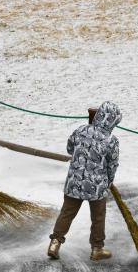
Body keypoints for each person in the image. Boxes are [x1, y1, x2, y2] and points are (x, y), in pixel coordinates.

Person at [47, 101, 121, 262]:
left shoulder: (81, 130)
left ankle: (55, 242)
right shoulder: (111, 141)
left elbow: (69, 148)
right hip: (97, 186)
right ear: (113, 121)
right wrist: (109, 180)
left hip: (75, 181)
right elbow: (112, 164)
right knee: (98, 217)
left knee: (67, 212)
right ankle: (97, 249)